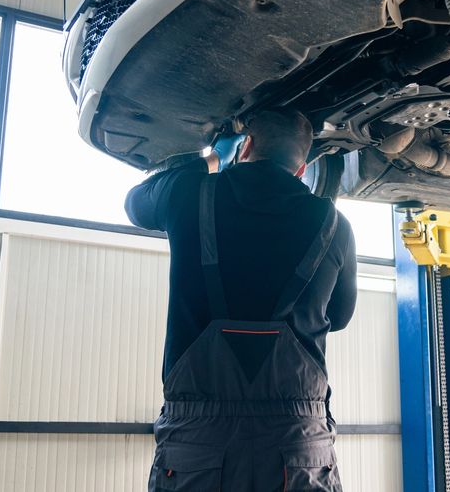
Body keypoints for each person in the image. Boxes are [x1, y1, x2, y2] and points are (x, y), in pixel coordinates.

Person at [126, 107, 357, 492]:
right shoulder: (334, 223)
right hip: (296, 439)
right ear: (301, 169)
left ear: (245, 146)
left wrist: (211, 159)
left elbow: (135, 204)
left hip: (200, 439)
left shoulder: (190, 192)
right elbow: (340, 316)